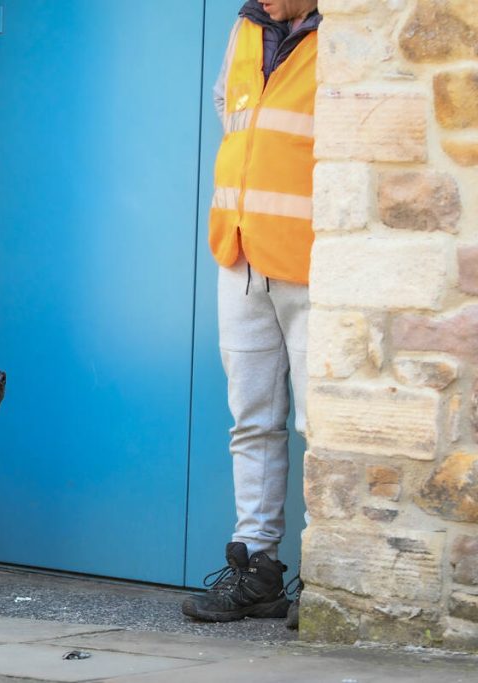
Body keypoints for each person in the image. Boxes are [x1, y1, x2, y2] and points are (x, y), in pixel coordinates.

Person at [181, 0, 321, 629]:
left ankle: (330, 579)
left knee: (326, 427)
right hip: (239, 255)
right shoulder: (245, 26)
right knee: (253, 421)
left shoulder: (343, 32)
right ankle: (258, 572)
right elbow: (228, 107)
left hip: (316, 262)